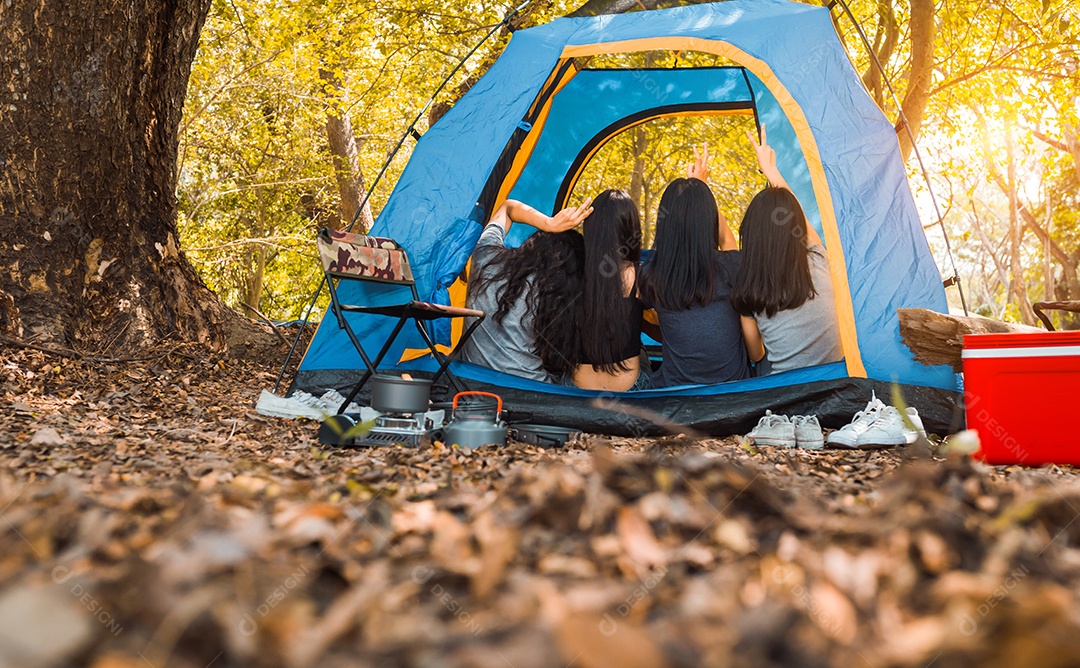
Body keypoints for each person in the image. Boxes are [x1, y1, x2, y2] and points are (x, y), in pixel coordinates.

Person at [731, 126, 843, 374]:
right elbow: (801, 224)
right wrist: (771, 172)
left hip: (788, 392)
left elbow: (756, 354)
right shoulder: (819, 261)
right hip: (836, 386)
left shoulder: (750, 290)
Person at [637, 147, 752, 387]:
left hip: (676, 394)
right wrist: (702, 188)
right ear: (708, 221)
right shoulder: (730, 266)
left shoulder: (651, 275)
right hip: (734, 393)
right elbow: (727, 240)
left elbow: (639, 316)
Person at [460, 198, 593, 383]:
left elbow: (507, 208)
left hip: (467, 384)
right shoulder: (552, 294)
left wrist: (549, 223)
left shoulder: (486, 257)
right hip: (529, 390)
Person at [572, 189, 655, 392]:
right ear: (631, 230)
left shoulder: (571, 273)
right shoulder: (640, 275)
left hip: (576, 390)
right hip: (630, 389)